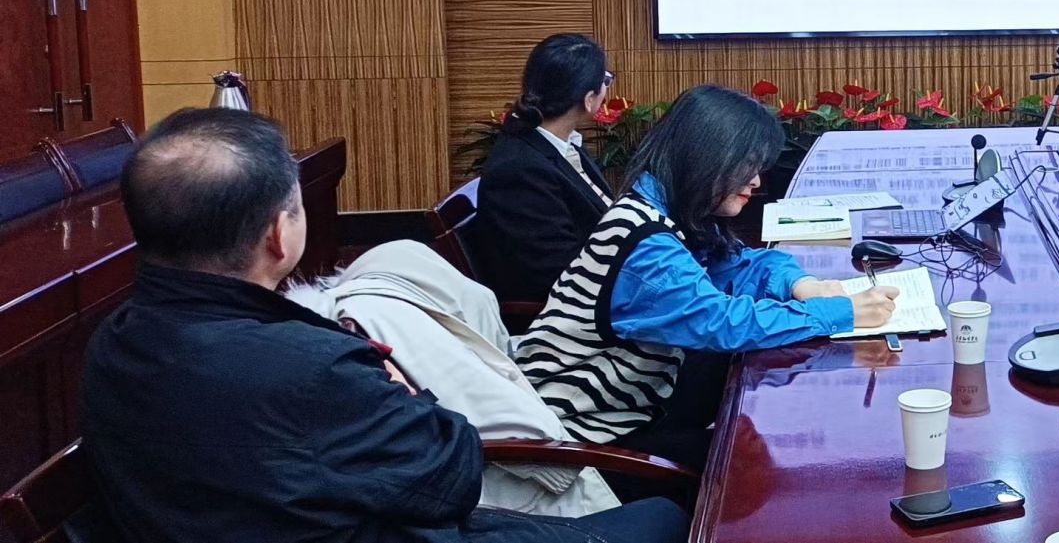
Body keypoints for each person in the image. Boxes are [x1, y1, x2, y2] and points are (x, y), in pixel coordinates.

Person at [80, 107, 686, 542]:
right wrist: (399, 383)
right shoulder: (314, 368)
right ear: (279, 234)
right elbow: (453, 477)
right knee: (663, 517)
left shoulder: (113, 342)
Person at [516, 85, 899, 469]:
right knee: (754, 467)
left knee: (758, 420)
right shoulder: (645, 242)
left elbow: (743, 263)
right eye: (748, 165)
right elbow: (725, 323)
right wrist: (840, 312)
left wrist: (803, 285)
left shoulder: (666, 209)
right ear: (708, 157)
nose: (756, 182)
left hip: (640, 403)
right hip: (578, 441)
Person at [285, 240, 621, 518]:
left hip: (408, 490)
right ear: (280, 235)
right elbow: (529, 438)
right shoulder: (371, 324)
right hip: (478, 496)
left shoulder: (286, 347)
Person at [472, 34, 615, 303]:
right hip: (574, 310)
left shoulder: (562, 144)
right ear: (588, 99)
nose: (607, 87)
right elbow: (558, 273)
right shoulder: (519, 170)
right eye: (605, 81)